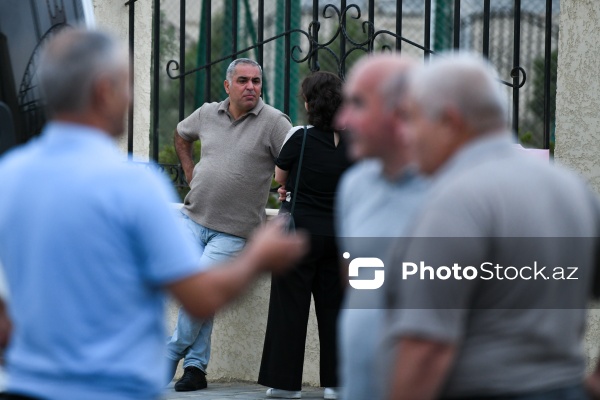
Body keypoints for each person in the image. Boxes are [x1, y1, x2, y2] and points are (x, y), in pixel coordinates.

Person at [0, 29, 307, 400]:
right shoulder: (133, 186)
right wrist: (262, 255)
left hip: (24, 385)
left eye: (256, 81)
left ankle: (194, 368)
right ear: (102, 92)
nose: (130, 98)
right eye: (126, 86)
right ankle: (175, 359)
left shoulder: (9, 176)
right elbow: (200, 297)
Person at [382, 53, 600, 400]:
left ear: (450, 121)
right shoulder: (571, 188)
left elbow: (426, 350)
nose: (406, 135)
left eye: (411, 118)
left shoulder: (455, 202)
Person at [167, 58, 293, 391]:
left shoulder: (274, 122)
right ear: (228, 86)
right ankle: (195, 368)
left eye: (256, 81)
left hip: (234, 231)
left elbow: (294, 162)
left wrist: (287, 190)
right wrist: (191, 171)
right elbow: (181, 135)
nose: (251, 87)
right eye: (243, 81)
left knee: (201, 292)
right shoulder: (208, 113)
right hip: (192, 219)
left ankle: (166, 357)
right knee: (197, 294)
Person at [332, 54, 429, 400]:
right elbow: (354, 278)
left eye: (358, 104)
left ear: (401, 109)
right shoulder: (354, 186)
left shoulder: (454, 190)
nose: (343, 120)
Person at [258, 71, 352, 400]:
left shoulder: (300, 136)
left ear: (310, 102)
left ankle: (284, 384)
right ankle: (337, 384)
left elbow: (279, 176)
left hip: (299, 235)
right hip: (340, 235)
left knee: (289, 308)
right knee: (336, 309)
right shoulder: (356, 141)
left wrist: (289, 184)